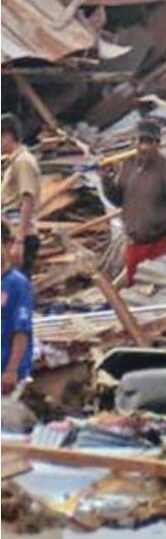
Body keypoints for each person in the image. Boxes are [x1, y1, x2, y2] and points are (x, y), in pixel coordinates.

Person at [102, 119, 166, 286]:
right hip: (134, 244)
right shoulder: (128, 165)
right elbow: (118, 200)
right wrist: (106, 180)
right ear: (134, 142)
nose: (144, 147)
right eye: (140, 141)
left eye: (149, 142)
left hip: (159, 244)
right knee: (134, 289)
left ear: (157, 144)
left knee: (156, 290)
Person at [1, 115, 41, 275]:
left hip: (18, 233)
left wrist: (19, 241)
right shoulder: (10, 162)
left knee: (15, 284)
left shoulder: (23, 161)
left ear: (8, 136)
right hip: (9, 232)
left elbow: (28, 199)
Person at [2, 222, 33, 394]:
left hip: (6, 371)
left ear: (7, 245)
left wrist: (11, 371)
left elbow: (21, 330)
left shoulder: (17, 283)